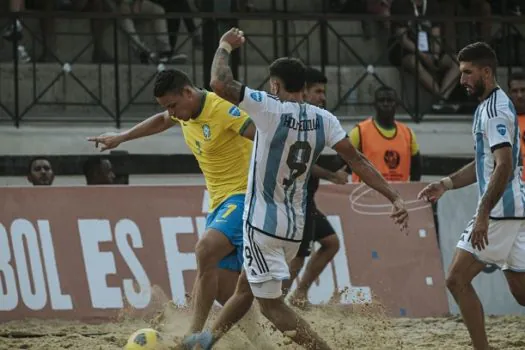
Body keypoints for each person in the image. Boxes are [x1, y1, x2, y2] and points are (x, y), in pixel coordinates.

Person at [182, 27, 409, 350]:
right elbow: (358, 161)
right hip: (295, 226)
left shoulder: (268, 107)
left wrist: (223, 46)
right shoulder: (324, 119)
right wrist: (394, 196)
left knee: (271, 306)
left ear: (275, 85)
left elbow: (220, 83)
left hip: (261, 223)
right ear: (304, 86)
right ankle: (206, 340)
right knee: (246, 288)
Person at [86, 69, 275, 342]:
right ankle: (261, 343)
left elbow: (264, 139)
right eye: (167, 107)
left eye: (173, 105)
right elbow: (161, 120)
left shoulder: (221, 110)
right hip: (219, 202)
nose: (171, 113)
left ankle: (193, 335)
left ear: (188, 92)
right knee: (223, 286)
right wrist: (121, 137)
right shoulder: (181, 113)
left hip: (246, 196)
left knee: (205, 250)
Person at [418, 42, 525, 350]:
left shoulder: (493, 110)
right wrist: (447, 183)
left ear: (486, 72)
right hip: (514, 207)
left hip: (501, 212)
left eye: (467, 73)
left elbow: (503, 166)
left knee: (456, 280)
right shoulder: (493, 104)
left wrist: (482, 214)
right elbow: (487, 163)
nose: (462, 80)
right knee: (521, 292)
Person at [282, 67, 348, 307]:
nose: (323, 97)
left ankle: (299, 295)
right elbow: (302, 163)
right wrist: (333, 175)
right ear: (304, 92)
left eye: (324, 92)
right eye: (318, 91)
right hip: (297, 199)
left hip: (306, 197)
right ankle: (274, 304)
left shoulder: (316, 119)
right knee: (298, 258)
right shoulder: (296, 119)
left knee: (330, 242)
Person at [349, 86, 422, 182]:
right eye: (381, 100)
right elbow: (341, 161)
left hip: (398, 194)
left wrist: (411, 190)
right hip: (367, 194)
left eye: (390, 100)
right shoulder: (359, 131)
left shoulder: (408, 133)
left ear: (397, 105)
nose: (386, 104)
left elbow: (417, 167)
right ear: (374, 105)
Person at [507, 71, 525, 181]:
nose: (520, 95)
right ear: (509, 93)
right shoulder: (503, 121)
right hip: (513, 188)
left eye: (523, 90)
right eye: (515, 91)